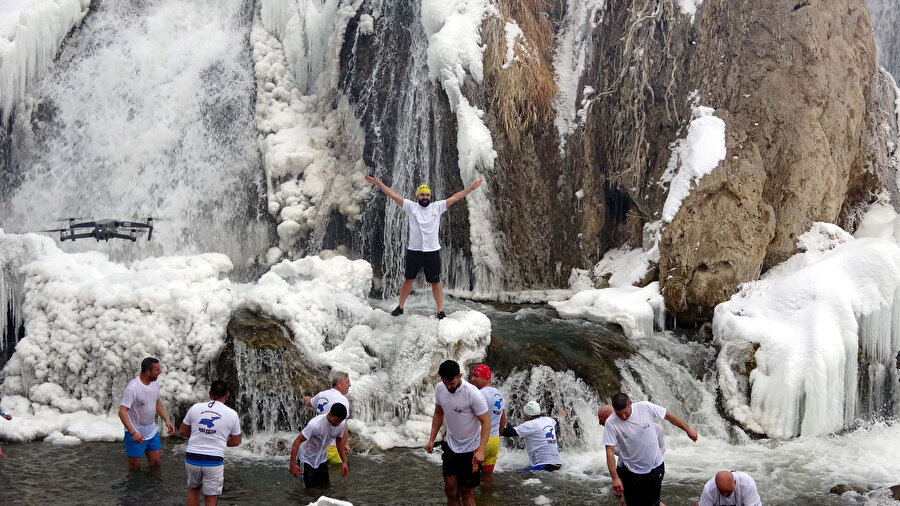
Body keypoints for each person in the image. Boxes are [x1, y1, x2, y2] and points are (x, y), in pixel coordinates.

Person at [365, 175, 484, 319]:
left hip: (432, 252)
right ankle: (400, 306)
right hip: (414, 251)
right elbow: (392, 194)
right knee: (408, 279)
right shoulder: (411, 206)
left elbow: (455, 197)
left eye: (427, 194)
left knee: (435, 282)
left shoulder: (437, 207)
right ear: (418, 196)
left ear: (430, 196)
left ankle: (440, 310)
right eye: (422, 194)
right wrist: (378, 183)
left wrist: (471, 188)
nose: (425, 197)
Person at [603, 393, 699, 506]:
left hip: (655, 467)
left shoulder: (645, 407)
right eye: (619, 414)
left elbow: (668, 416)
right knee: (630, 503)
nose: (623, 417)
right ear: (614, 410)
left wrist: (688, 429)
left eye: (626, 413)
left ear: (630, 404)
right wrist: (615, 478)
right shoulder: (611, 422)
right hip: (631, 471)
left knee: (654, 503)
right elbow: (609, 451)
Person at [425, 360, 491, 506]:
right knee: (451, 491)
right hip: (451, 446)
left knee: (466, 492)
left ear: (459, 375)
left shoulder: (473, 394)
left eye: (452, 383)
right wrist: (431, 439)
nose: (449, 387)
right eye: (445, 383)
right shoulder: (440, 388)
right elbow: (438, 413)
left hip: (471, 451)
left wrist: (481, 451)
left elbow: (486, 422)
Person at [179, 380, 242, 506]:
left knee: (193, 490)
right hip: (213, 460)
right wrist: (218, 440)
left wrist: (202, 435)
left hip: (192, 457)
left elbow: (183, 431)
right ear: (227, 395)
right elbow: (236, 441)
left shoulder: (195, 408)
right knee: (211, 498)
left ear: (210, 394)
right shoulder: (232, 414)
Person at [599, 404, 666, 506]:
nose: (599, 423)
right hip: (626, 469)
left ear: (609, 417)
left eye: (601, 419)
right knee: (626, 500)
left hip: (651, 469)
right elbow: (615, 454)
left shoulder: (655, 428)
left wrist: (649, 462)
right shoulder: (613, 428)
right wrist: (617, 477)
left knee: (651, 502)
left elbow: (661, 448)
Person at [118, 357, 176, 470]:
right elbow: (122, 412)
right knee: (134, 468)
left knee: (156, 464)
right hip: (135, 433)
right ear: (148, 372)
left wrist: (166, 420)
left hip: (152, 432)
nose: (160, 372)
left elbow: (156, 401)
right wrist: (133, 433)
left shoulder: (155, 384)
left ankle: (153, 488)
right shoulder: (132, 388)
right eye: (157, 370)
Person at [289, 403, 350, 489]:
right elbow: (297, 441)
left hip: (322, 458)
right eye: (336, 421)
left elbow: (339, 441)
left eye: (340, 421)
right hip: (307, 458)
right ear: (329, 414)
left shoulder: (341, 424)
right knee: (308, 490)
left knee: (325, 488)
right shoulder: (314, 425)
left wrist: (344, 461)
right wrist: (292, 464)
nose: (338, 424)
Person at [500, 400, 562, 472]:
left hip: (544, 466)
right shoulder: (549, 420)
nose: (523, 417)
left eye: (524, 415)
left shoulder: (530, 425)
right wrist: (562, 414)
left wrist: (489, 428)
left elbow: (508, 432)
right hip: (557, 464)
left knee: (514, 475)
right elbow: (556, 420)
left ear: (528, 415)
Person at [304, 370, 351, 464]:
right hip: (331, 446)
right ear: (338, 384)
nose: (349, 385)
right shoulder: (342, 400)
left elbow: (309, 403)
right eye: (347, 382)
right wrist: (345, 444)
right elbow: (343, 424)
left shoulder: (322, 394)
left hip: (314, 444)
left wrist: (306, 398)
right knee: (338, 472)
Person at [469, 364, 506, 483]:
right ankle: (488, 499)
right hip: (494, 441)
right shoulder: (499, 394)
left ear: (485, 377)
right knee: (487, 479)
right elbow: (503, 420)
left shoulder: (481, 394)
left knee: (469, 480)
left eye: (476, 376)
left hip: (480, 442)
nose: (472, 379)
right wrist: (498, 433)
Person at [693, 471, 762, 506]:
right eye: (721, 492)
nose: (725, 495)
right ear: (716, 486)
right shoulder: (709, 489)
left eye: (728, 492)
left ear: (735, 482)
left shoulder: (747, 484)